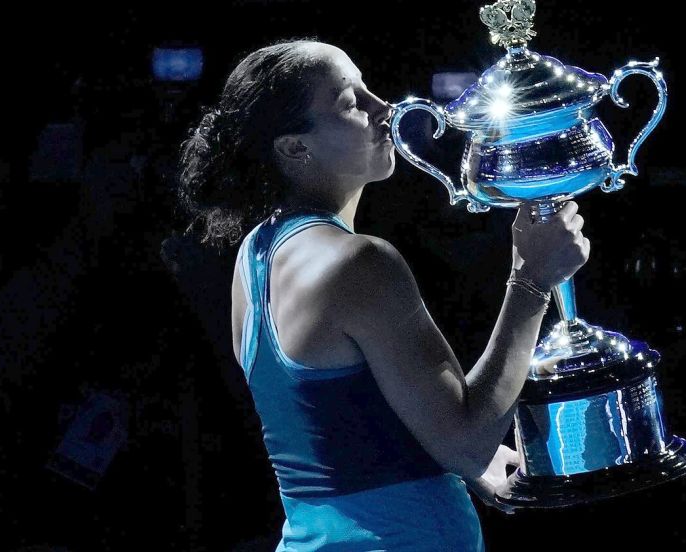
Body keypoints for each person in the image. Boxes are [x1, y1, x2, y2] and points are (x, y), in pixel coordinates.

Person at [176, 38, 589, 551]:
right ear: (294, 147)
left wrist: (462, 463)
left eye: (369, 89)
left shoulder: (255, 254)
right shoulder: (360, 263)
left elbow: (340, 431)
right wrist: (531, 281)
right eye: (351, 103)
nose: (384, 108)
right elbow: (467, 439)